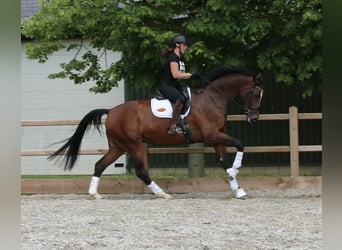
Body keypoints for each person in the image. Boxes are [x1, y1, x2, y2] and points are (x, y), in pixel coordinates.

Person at [159, 34, 193, 134]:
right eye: (184, 45)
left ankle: (182, 120)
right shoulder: (173, 58)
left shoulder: (180, 59)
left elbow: (181, 74)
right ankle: (172, 126)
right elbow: (175, 75)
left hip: (175, 85)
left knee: (187, 97)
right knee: (180, 99)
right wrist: (190, 74)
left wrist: (191, 74)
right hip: (167, 86)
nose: (185, 47)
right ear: (177, 45)